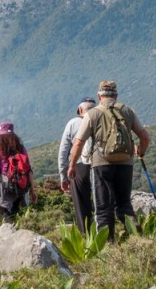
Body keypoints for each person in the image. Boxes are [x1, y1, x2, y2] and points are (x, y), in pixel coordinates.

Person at [68, 81, 150, 241]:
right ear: (116, 95)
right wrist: (141, 152)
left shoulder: (93, 113)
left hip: (101, 164)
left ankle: (107, 245)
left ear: (99, 96)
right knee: (124, 204)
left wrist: (72, 165)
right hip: (126, 163)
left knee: (103, 208)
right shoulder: (127, 111)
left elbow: (78, 143)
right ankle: (137, 239)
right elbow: (145, 137)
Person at [0, 122, 38, 222]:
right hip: (19, 185)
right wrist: (33, 190)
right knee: (14, 214)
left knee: (4, 215)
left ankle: (8, 234)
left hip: (4, 187)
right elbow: (29, 170)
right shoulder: (21, 148)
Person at [58, 97, 96, 233]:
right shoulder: (100, 119)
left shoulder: (73, 123)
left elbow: (63, 151)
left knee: (81, 204)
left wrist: (64, 176)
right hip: (100, 165)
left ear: (80, 110)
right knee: (101, 202)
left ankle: (85, 235)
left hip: (78, 166)